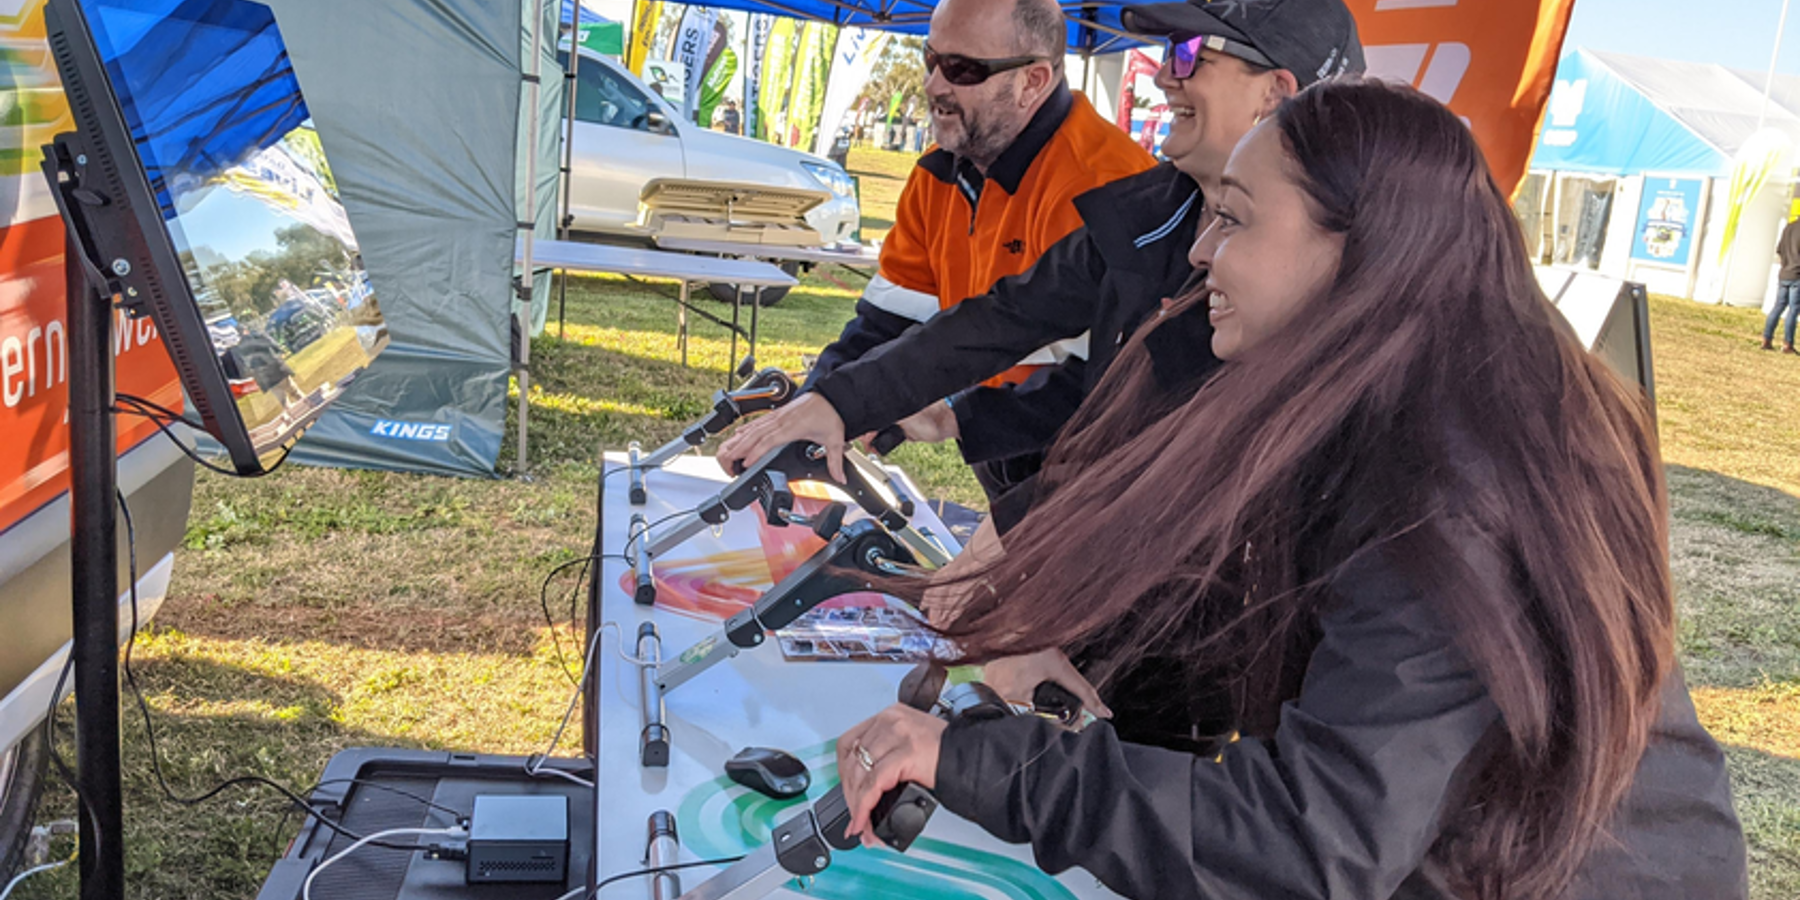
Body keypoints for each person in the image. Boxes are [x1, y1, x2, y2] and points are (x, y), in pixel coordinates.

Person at [829, 79, 1748, 900]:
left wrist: (989, 764)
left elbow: (1315, 844)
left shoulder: (1448, 487)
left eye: (1234, 218)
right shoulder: (1366, 403)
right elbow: (1180, 527)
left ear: (1357, 251)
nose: (1198, 253)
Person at [720, 0, 1363, 535]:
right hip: (1093, 555)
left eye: (1189, 53)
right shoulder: (1152, 209)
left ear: (1277, 94)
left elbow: (1174, 438)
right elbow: (1021, 328)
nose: (1165, 76)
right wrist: (844, 401)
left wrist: (1014, 534)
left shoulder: (1331, 277)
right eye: (932, 62)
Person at [791, 0, 1158, 500]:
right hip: (1001, 449)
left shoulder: (1109, 185)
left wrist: (959, 417)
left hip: (1103, 468)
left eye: (962, 69)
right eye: (930, 59)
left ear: (1033, 81)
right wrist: (815, 407)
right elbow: (886, 322)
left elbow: (1113, 382)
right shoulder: (936, 173)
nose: (934, 86)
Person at [1763, 214, 1800, 352]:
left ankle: (1766, 339)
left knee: (1778, 306)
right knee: (1794, 309)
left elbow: (1779, 250)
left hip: (1784, 273)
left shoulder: (1789, 228)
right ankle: (1787, 344)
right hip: (1797, 275)